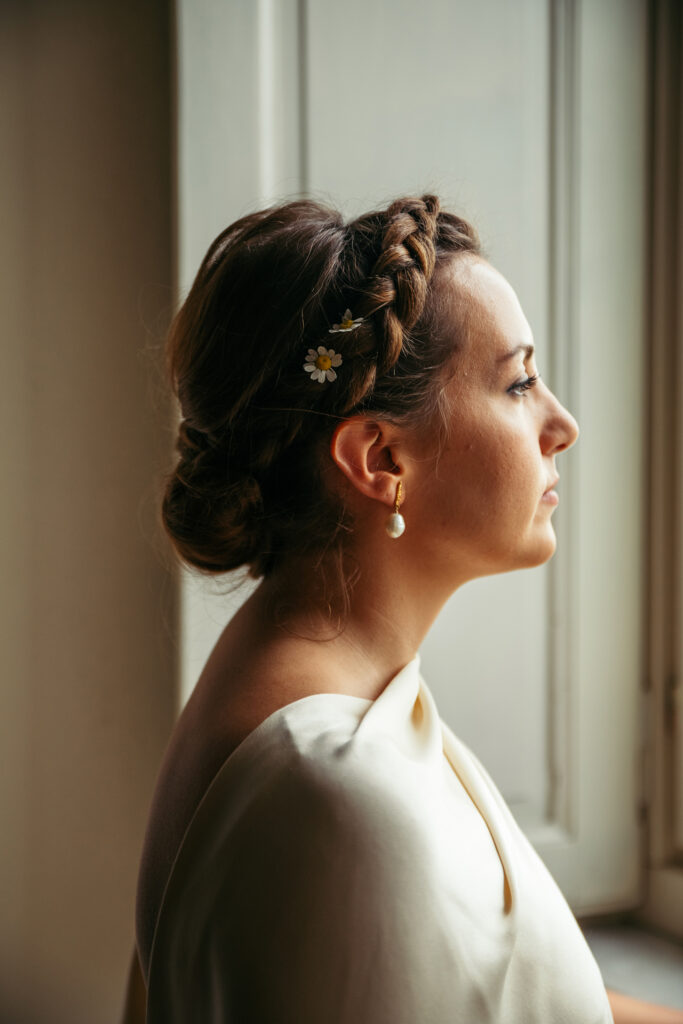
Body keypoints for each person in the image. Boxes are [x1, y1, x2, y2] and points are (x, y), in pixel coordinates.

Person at [127, 194, 682, 1023]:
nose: (561, 424)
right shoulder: (332, 790)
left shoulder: (307, 679)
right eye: (519, 381)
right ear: (380, 459)